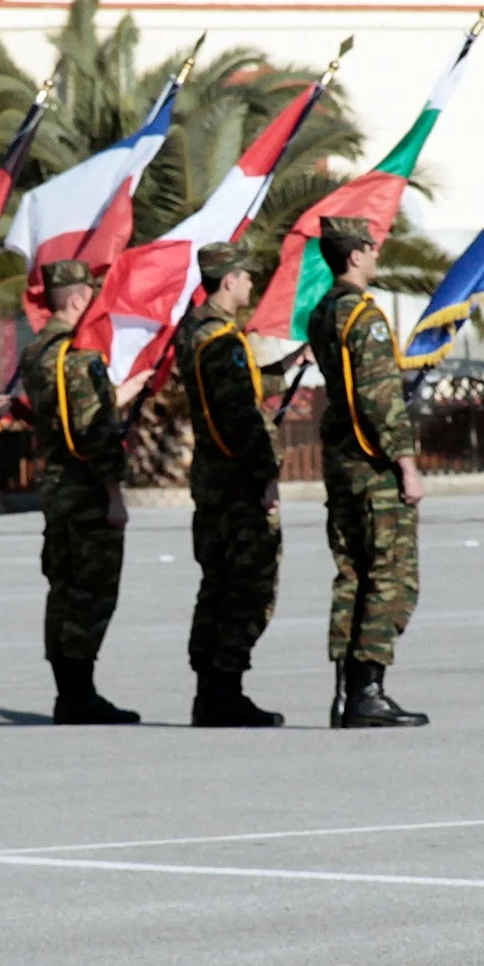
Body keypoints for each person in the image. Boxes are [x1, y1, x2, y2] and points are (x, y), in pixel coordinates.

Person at [305, 217, 430, 729]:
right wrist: (407, 464)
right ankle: (368, 691)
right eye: (372, 247)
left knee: (353, 575)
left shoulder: (323, 312)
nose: (377, 255)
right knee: (392, 577)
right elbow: (381, 399)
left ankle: (346, 691)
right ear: (355, 255)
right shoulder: (364, 316)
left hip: (342, 464)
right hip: (373, 466)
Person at [17, 259, 146, 724]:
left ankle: (67, 690)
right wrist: (115, 495)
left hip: (55, 484)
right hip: (87, 488)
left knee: (63, 588)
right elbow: (95, 431)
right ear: (76, 300)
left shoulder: (36, 353)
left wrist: (120, 392)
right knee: (92, 592)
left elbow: (64, 414)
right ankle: (80, 693)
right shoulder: (81, 357)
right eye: (89, 295)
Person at [176, 241, 287, 728]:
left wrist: (279, 371)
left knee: (216, 582)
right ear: (227, 281)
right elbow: (239, 414)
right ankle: (225, 689)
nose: (250, 284)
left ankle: (211, 690)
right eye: (244, 276)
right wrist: (264, 476)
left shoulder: (194, 333)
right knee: (249, 583)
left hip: (212, 479)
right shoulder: (222, 340)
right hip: (236, 482)